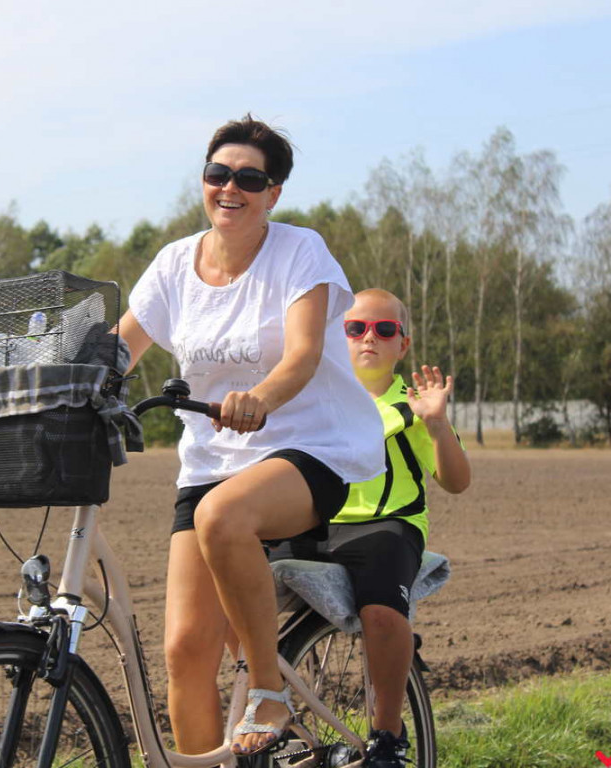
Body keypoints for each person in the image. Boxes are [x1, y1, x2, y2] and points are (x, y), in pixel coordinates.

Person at [116, 114, 386, 757]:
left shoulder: (300, 252)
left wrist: (259, 399)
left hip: (308, 447)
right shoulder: (174, 264)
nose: (228, 187)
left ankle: (268, 687)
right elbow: (118, 348)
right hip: (212, 459)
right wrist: (62, 386)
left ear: (273, 193)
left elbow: (298, 357)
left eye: (248, 178)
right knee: (185, 651)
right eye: (217, 174)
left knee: (223, 517)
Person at [273, 288, 471, 767]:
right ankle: (285, 723)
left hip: (386, 525)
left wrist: (438, 425)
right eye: (355, 327)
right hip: (315, 522)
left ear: (403, 345)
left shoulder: (415, 404)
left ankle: (388, 736)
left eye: (385, 330)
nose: (369, 338)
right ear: (336, 336)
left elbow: (457, 482)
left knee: (382, 613)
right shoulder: (312, 396)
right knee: (229, 579)